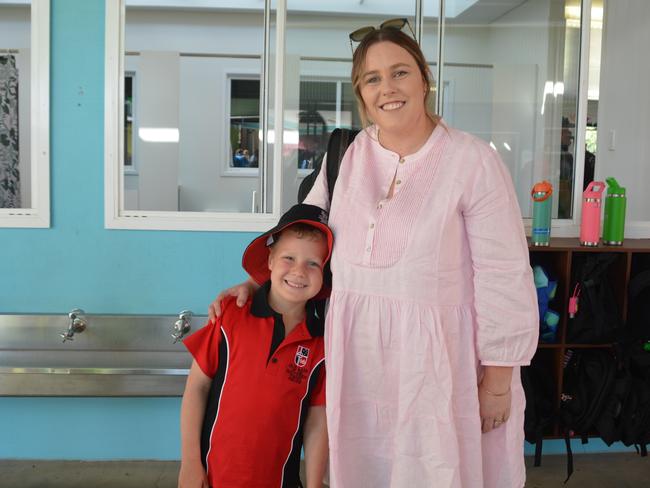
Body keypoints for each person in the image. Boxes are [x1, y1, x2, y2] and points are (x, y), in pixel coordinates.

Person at [209, 22, 538, 488]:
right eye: (373, 78)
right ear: (361, 93)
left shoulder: (473, 161)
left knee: (435, 468)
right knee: (366, 469)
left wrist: (498, 382)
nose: (388, 88)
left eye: (400, 72)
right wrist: (262, 283)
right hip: (358, 359)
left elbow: (502, 273)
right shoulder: (346, 155)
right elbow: (304, 242)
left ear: (424, 78)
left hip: (439, 365)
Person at [179, 204, 333, 488]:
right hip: (213, 479)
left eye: (313, 263)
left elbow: (317, 420)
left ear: (325, 272)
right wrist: (190, 462)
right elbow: (196, 388)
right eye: (289, 257)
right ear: (271, 260)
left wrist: (314, 485)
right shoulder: (230, 314)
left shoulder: (322, 344)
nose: (299, 271)